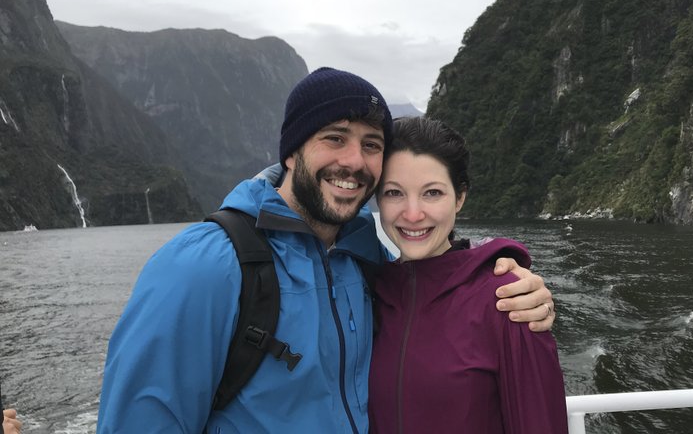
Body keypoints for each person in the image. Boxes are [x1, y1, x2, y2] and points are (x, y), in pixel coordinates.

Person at [97, 67, 555, 433]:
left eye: (371, 145)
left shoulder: (365, 262)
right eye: (335, 137)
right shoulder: (205, 264)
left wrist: (519, 279)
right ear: (293, 150)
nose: (353, 161)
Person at [369, 116, 567, 433]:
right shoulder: (370, 293)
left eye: (432, 193)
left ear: (460, 197)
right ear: (377, 198)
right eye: (394, 193)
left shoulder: (508, 299)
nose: (413, 213)